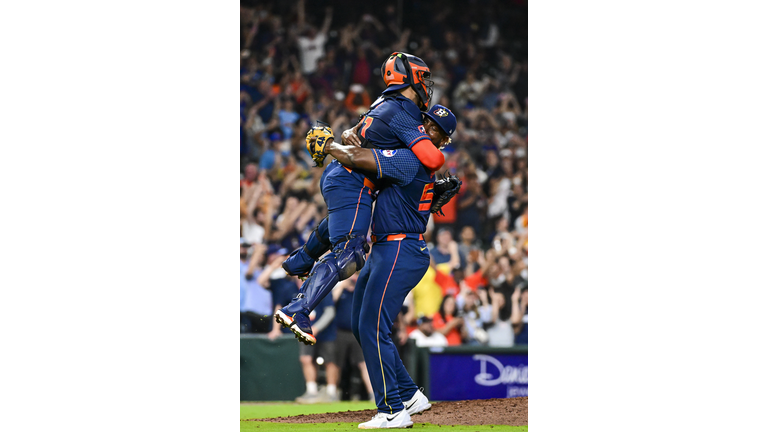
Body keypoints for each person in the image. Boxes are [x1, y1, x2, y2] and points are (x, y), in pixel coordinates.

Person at [275, 53, 447, 346]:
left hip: (346, 179)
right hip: (352, 182)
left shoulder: (384, 103)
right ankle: (298, 309)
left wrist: (341, 136)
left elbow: (354, 134)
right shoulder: (402, 111)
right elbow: (433, 158)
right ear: (411, 79)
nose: (427, 86)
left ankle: (301, 261)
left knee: (343, 225)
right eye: (424, 78)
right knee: (351, 252)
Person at [306, 106, 457, 428]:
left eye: (434, 128)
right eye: (426, 121)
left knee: (374, 329)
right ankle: (409, 395)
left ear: (442, 141)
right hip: (388, 247)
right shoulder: (407, 155)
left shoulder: (410, 159)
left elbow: (359, 160)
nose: (425, 127)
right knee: (363, 326)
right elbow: (369, 154)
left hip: (401, 248)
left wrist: (332, 145)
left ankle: (392, 410)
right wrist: (355, 137)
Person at [294, 293, 339, 404]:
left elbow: (330, 312)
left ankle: (331, 392)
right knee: (306, 359)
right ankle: (311, 392)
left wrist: (316, 328)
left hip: (326, 333)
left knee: (330, 361)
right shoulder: (298, 291)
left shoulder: (323, 289)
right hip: (305, 331)